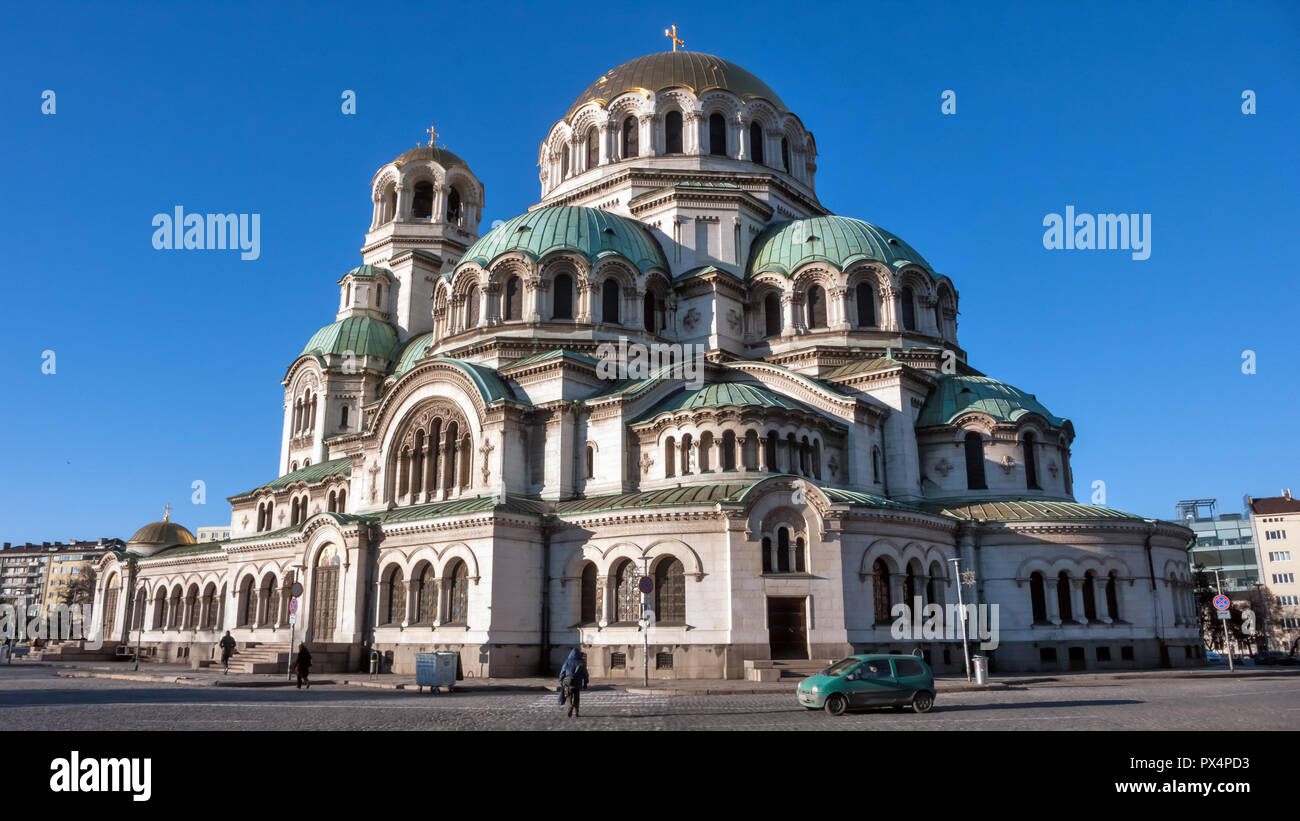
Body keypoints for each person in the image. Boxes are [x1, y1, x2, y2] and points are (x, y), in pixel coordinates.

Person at [558, 648, 589, 718]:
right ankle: (576, 712)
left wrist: (560, 680)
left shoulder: (567, 662)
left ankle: (570, 707)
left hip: (568, 683)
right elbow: (585, 674)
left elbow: (562, 672)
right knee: (577, 698)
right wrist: (585, 683)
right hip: (577, 684)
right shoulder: (581, 662)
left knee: (569, 696)